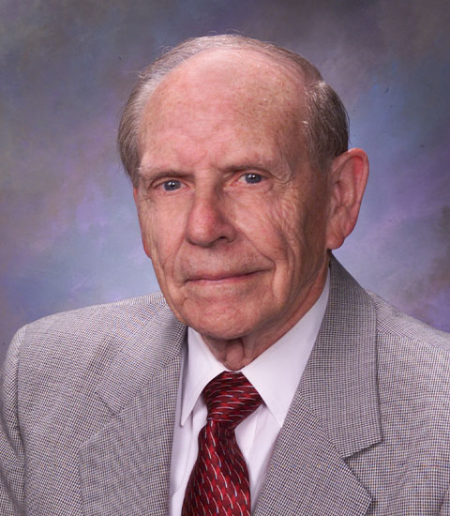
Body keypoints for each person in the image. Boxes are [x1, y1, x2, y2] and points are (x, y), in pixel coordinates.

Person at [1, 35, 450, 516]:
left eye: (250, 177)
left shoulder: (437, 420)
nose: (204, 227)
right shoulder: (45, 374)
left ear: (339, 197)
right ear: (142, 212)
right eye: (170, 184)